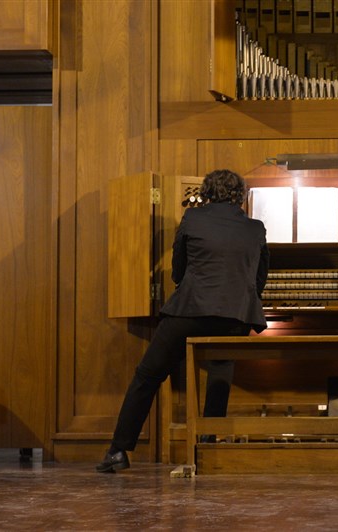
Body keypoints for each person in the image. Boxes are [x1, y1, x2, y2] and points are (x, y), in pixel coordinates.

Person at [96, 169, 269, 473]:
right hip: (234, 317)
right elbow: (259, 279)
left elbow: (178, 270)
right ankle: (207, 443)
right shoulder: (256, 228)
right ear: (240, 195)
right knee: (219, 373)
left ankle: (118, 451)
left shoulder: (193, 218)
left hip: (190, 310)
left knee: (147, 376)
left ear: (206, 193)